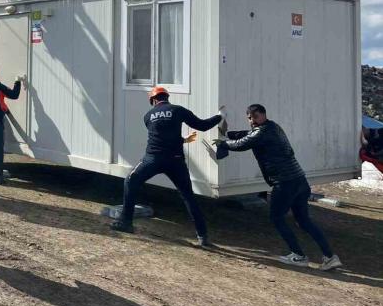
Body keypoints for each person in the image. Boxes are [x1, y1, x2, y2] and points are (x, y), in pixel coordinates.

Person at [214, 104, 342, 270]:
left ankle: (298, 255)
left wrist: (223, 143)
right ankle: (330, 257)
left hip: (284, 183)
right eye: (250, 118)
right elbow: (248, 135)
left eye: (255, 117)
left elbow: (241, 144)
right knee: (304, 221)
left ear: (264, 115)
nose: (252, 121)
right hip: (300, 181)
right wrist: (229, 134)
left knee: (277, 218)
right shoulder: (273, 127)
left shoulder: (262, 132)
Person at [111, 86, 221, 247]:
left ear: (153, 100)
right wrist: (219, 116)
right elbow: (202, 125)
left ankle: (125, 222)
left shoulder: (148, 116)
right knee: (188, 196)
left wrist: (182, 140)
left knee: (130, 181)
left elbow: (160, 136)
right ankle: (202, 236)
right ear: (167, 98)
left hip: (153, 159)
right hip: (176, 160)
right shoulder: (178, 110)